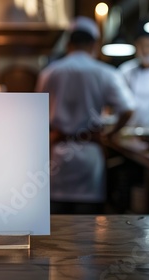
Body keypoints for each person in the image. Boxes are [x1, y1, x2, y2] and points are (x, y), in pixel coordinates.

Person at [36, 16, 135, 214]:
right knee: (88, 227)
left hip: (57, 155)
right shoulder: (105, 72)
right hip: (90, 155)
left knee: (56, 225)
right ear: (93, 44)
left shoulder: (49, 73)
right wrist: (110, 134)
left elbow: (36, 115)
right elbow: (128, 109)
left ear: (69, 44)